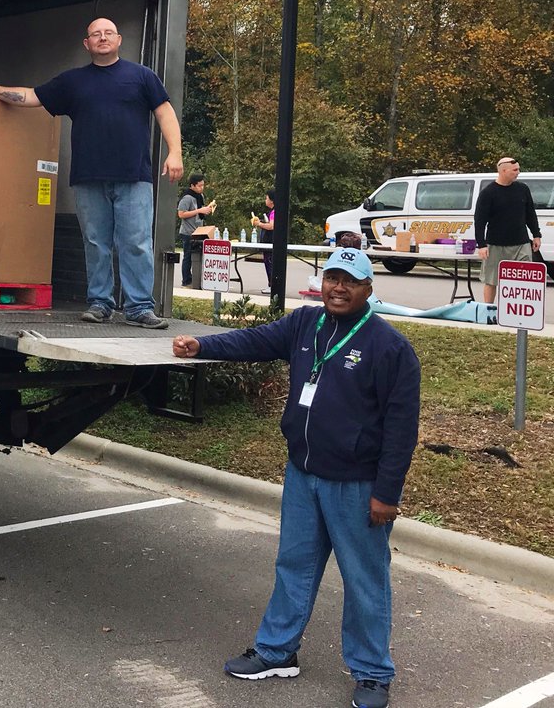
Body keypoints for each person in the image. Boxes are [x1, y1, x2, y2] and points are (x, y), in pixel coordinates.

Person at [172, 248, 420, 708]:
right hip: (303, 474)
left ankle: (372, 674)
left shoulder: (390, 348)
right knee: (294, 568)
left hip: (357, 485)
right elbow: (254, 341)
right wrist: (203, 346)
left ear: (368, 289)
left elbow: (402, 429)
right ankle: (276, 651)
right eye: (332, 278)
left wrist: (387, 494)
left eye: (350, 281)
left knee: (365, 581)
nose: (338, 288)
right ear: (322, 282)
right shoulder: (306, 324)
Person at [0, 18, 183, 329]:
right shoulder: (73, 82)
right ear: (87, 44)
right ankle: (100, 303)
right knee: (95, 242)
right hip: (88, 177)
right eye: (96, 34)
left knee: (135, 241)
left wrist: (174, 152)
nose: (103, 37)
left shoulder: (142, 77)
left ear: (119, 39)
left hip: (134, 176)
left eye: (108, 33)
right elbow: (30, 97)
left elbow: (165, 111)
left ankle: (139, 308)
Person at [473, 157, 542, 304]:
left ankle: (517, 310)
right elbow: (480, 220)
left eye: (518, 169)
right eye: (515, 170)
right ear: (503, 171)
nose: (518, 172)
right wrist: (482, 245)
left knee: (523, 278)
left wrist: (536, 234)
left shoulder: (522, 189)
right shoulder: (488, 193)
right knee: (491, 280)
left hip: (521, 243)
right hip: (496, 244)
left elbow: (530, 213)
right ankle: (488, 309)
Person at [177, 174, 216, 287]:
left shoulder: (200, 196)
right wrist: (199, 210)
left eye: (203, 185)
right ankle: (186, 279)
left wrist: (207, 209)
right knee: (188, 256)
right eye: (199, 186)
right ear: (192, 185)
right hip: (188, 231)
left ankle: (196, 278)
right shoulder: (187, 197)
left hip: (199, 231)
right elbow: (181, 214)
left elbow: (200, 211)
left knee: (198, 256)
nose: (202, 188)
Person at [250, 190, 275, 295]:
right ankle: (271, 284)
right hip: (268, 243)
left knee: (270, 264)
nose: (265, 200)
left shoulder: (274, 212)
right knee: (268, 263)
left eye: (267, 198)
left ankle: (272, 285)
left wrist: (259, 224)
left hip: (270, 243)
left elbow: (271, 226)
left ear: (272, 201)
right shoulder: (272, 212)